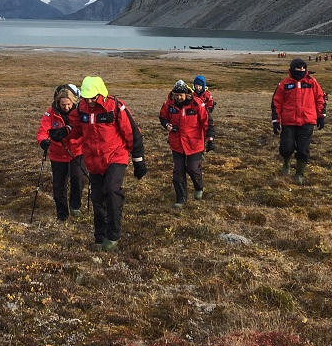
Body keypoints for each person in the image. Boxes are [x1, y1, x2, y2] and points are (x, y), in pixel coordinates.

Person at [76, 76, 146, 251]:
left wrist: (139, 161)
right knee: (97, 198)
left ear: (101, 93)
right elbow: (76, 129)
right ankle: (100, 237)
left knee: (112, 190)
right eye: (86, 97)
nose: (90, 101)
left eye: (92, 97)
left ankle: (113, 235)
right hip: (94, 161)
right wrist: (61, 133)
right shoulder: (81, 108)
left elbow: (133, 133)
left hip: (116, 156)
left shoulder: (115, 107)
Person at [35, 84, 87, 221]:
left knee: (78, 178)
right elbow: (43, 131)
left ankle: (75, 206)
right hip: (57, 154)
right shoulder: (50, 113)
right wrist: (43, 142)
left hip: (77, 151)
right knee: (59, 186)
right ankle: (62, 214)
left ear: (73, 102)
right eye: (63, 105)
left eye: (68, 104)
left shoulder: (80, 112)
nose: (66, 107)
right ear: (58, 103)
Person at [271, 58, 325, 185]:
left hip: (307, 120)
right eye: (298, 68)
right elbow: (276, 102)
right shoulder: (284, 84)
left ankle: (300, 173)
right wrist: (275, 120)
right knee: (286, 146)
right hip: (289, 121)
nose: (301, 70)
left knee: (303, 149)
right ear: (292, 68)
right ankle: (286, 163)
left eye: (303, 68)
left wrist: (321, 116)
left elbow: (320, 99)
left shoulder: (312, 82)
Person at [159, 80, 209, 208]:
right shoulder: (169, 104)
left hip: (194, 143)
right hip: (177, 143)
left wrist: (210, 138)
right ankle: (181, 198)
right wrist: (167, 125)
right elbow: (162, 117)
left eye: (180, 95)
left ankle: (199, 186)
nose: (178, 97)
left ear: (186, 94)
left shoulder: (197, 104)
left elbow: (206, 122)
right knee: (178, 171)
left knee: (193, 169)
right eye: (176, 95)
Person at [192, 75, 217, 151]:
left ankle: (209, 140)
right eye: (196, 86)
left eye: (200, 86)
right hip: (194, 116)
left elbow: (210, 104)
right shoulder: (192, 95)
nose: (198, 88)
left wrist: (206, 110)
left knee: (208, 124)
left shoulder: (207, 95)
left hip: (205, 114)